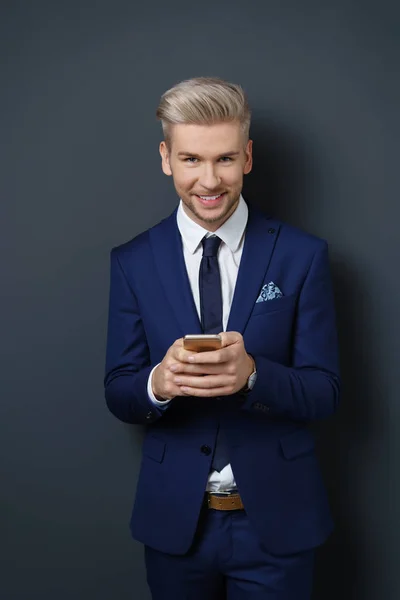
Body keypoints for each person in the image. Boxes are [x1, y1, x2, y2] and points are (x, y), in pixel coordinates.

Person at [104, 77, 341, 600]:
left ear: (248, 157)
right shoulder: (133, 261)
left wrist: (254, 375)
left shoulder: (302, 256)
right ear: (166, 158)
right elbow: (119, 389)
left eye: (225, 159)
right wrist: (159, 383)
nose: (209, 181)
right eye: (191, 160)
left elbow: (326, 391)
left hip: (278, 525)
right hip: (175, 526)